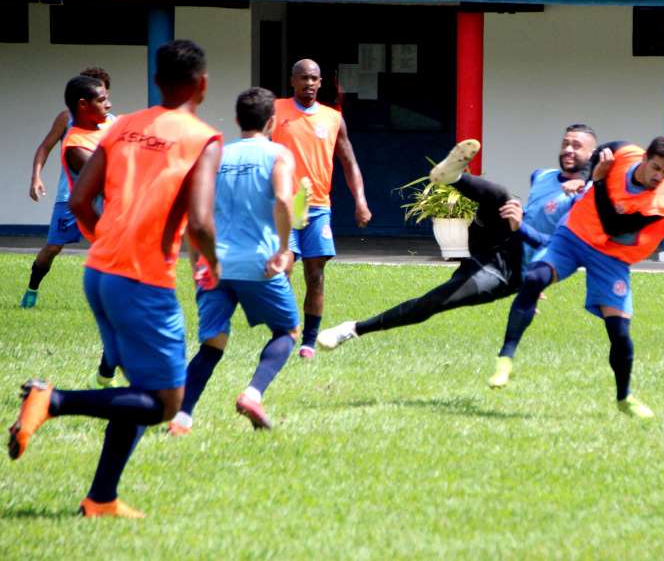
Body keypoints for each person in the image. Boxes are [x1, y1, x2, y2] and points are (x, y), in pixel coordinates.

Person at [7, 39, 222, 518]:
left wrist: (107, 239)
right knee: (166, 403)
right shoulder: (203, 138)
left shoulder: (122, 127)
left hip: (100, 272)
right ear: (203, 85)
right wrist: (214, 264)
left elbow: (80, 200)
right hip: (143, 280)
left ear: (157, 81)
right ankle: (52, 400)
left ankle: (100, 498)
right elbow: (202, 223)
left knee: (137, 391)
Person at [316, 125, 598, 347]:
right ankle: (452, 177)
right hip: (496, 240)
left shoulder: (588, 198)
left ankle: (352, 329)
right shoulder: (542, 176)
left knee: (431, 304)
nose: (568, 149)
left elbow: (559, 248)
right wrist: (517, 220)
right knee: (501, 196)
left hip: (508, 274)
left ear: (593, 154)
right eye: (565, 143)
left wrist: (534, 284)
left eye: (577, 146)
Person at [488, 136, 664, 419]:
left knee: (619, 331)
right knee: (534, 279)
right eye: (656, 168)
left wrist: (598, 181)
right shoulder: (625, 153)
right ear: (644, 157)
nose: (659, 177)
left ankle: (625, 397)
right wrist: (586, 177)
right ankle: (505, 359)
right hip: (575, 234)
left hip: (612, 254)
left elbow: (613, 225)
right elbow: (603, 150)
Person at [167, 87, 300, 435]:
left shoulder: (216, 157)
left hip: (215, 265)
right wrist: (283, 250)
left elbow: (194, 214)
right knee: (288, 330)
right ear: (272, 122)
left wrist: (196, 262)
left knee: (212, 343)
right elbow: (283, 201)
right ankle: (252, 395)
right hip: (258, 264)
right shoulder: (278, 155)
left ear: (237, 119)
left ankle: (181, 419)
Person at [272, 59, 371, 359]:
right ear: (292, 81)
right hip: (285, 206)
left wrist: (360, 201)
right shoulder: (275, 110)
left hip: (318, 207)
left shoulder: (332, 118)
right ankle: (285, 332)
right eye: (303, 78)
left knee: (315, 276)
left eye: (314, 78)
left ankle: (308, 342)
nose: (309, 84)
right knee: (284, 269)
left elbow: (349, 162)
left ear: (320, 82)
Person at [21, 67, 113, 308]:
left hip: (102, 198)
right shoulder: (67, 119)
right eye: (99, 96)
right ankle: (32, 289)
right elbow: (45, 146)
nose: (105, 101)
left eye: (105, 94)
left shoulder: (112, 123)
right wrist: (36, 177)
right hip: (70, 196)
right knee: (53, 247)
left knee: (109, 247)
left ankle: (108, 301)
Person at [54, 75, 121, 389]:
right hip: (110, 237)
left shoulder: (110, 126)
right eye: (101, 99)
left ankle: (105, 377)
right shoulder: (76, 145)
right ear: (83, 105)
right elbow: (109, 181)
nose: (109, 104)